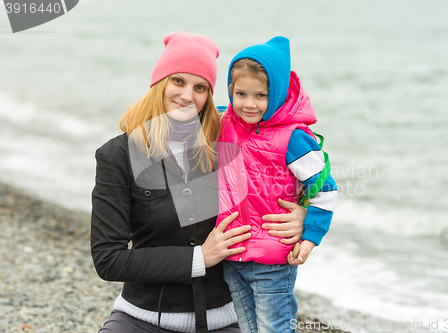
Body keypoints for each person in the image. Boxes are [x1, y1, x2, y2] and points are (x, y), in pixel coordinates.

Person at [90, 31, 307, 333]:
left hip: (228, 321)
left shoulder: (228, 140)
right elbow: (108, 259)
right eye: (178, 81)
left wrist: (303, 215)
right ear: (158, 83)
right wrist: (199, 258)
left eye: (200, 87)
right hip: (141, 319)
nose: (187, 95)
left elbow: (298, 163)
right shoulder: (119, 156)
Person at [215, 36, 338, 333]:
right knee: (247, 328)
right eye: (241, 93)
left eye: (261, 95)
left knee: (275, 328)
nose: (249, 104)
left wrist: (309, 238)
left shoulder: (293, 138)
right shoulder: (223, 121)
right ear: (230, 90)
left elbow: (324, 188)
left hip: (273, 258)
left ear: (278, 93)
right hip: (232, 256)